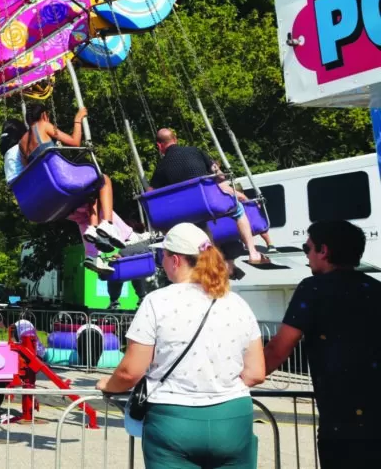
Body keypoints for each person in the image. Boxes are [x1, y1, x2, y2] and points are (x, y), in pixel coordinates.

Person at [96, 223, 265, 469]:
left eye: (162, 256)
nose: (160, 262)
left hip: (173, 421)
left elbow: (130, 372)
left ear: (175, 260)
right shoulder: (237, 303)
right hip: (233, 418)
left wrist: (107, 385)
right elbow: (256, 373)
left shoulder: (157, 302)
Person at [263, 220, 380, 468]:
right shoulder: (376, 288)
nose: (306, 256)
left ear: (323, 251)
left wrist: (243, 377)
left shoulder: (313, 289)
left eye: (307, 249)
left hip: (341, 427)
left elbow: (278, 349)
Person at [150, 129, 266, 266]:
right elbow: (220, 175)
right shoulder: (195, 151)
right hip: (209, 203)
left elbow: (151, 192)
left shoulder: (161, 167)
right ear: (175, 139)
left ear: (159, 145)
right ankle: (253, 252)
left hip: (186, 211)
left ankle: (213, 262)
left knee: (202, 225)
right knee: (238, 210)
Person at [20, 102, 123, 247]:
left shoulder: (21, 144)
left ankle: (93, 228)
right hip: (61, 181)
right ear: (44, 115)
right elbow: (75, 142)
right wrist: (78, 119)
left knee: (91, 189)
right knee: (103, 179)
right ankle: (108, 222)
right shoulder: (43, 125)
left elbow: (29, 170)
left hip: (46, 192)